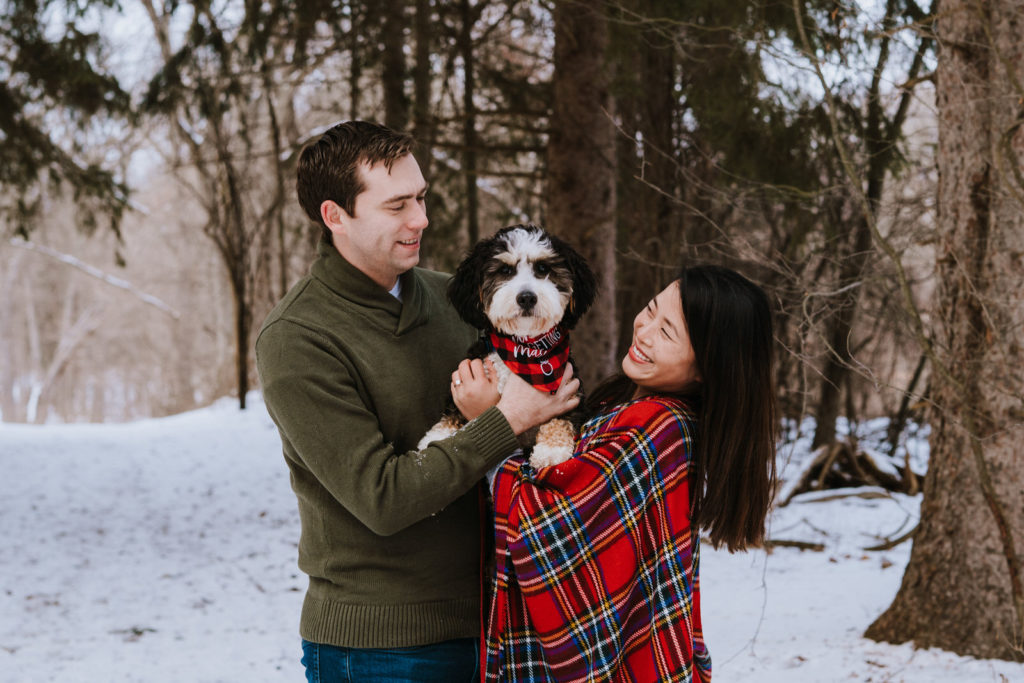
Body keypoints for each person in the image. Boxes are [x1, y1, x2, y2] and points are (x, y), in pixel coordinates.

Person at [255, 120, 580, 683]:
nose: (421, 219)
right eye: (397, 205)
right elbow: (382, 499)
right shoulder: (298, 337)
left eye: (422, 198)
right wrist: (509, 420)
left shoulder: (456, 296)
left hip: (499, 620)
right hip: (384, 647)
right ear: (336, 216)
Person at [455, 264, 778, 683]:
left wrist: (491, 424)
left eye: (667, 333)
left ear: (704, 367)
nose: (643, 332)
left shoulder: (657, 426)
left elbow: (549, 526)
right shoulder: (626, 406)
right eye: (650, 309)